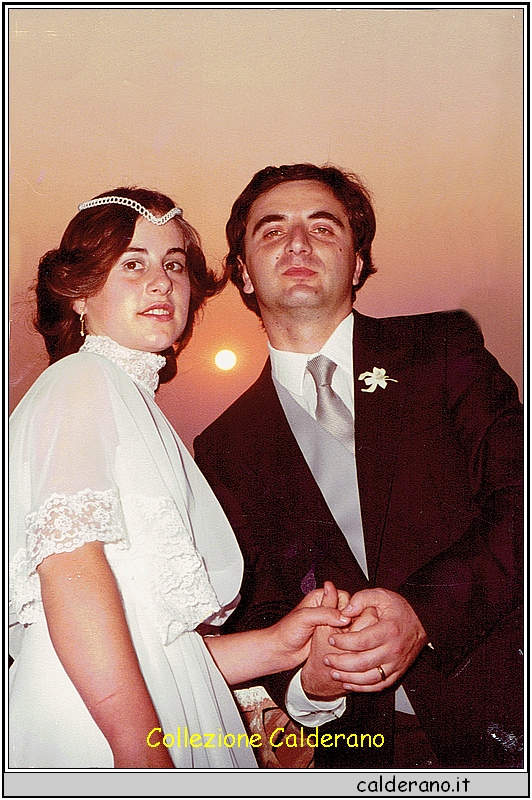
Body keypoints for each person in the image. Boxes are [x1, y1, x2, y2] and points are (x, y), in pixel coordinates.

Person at [8, 186, 354, 769]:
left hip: (157, 716)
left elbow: (167, 655)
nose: (162, 283)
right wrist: (140, 756)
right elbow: (71, 572)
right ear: (79, 293)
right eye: (132, 264)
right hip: (108, 733)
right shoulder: (83, 381)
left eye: (173, 265)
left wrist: (278, 643)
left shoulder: (135, 406)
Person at [194, 164, 524, 769]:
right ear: (242, 270)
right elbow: (254, 606)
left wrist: (425, 611)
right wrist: (308, 684)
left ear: (357, 262)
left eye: (323, 228)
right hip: (360, 752)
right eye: (273, 231)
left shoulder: (442, 348)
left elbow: (519, 495)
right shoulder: (221, 447)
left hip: (506, 714)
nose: (298, 244)